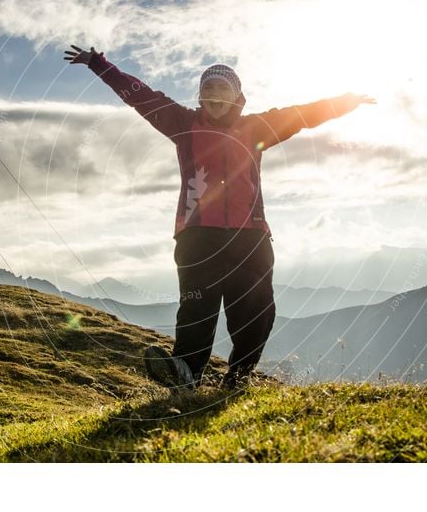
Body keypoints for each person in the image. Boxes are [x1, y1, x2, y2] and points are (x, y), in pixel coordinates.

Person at [64, 45, 375, 390]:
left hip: (250, 237)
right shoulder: (182, 123)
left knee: (257, 313)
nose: (214, 95)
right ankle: (186, 375)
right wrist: (98, 63)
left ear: (238, 96)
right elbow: (141, 96)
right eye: (207, 89)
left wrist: (345, 102)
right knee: (196, 312)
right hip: (197, 238)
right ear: (200, 96)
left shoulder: (257, 128)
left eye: (222, 88)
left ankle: (239, 376)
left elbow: (300, 115)